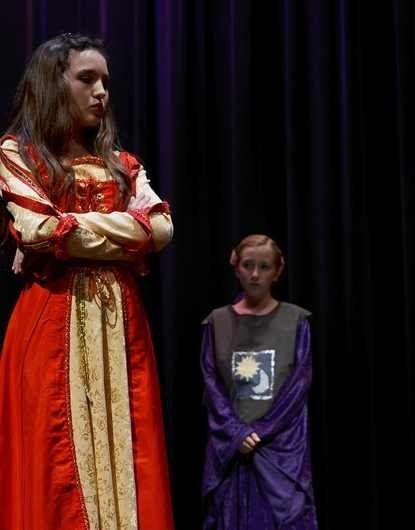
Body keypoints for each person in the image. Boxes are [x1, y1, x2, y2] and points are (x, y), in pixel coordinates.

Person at [0, 33, 174, 529]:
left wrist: (72, 227)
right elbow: (37, 229)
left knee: (129, 443)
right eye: (86, 79)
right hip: (51, 321)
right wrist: (127, 229)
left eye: (105, 82)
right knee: (56, 456)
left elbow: (161, 227)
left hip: (121, 321)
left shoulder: (121, 163)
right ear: (53, 85)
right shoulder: (19, 153)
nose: (102, 92)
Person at [201, 234, 317, 529]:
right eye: (248, 265)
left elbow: (298, 385)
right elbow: (212, 384)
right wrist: (236, 431)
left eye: (264, 267)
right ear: (235, 266)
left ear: (278, 271)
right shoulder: (217, 323)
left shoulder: (296, 321)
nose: (255, 274)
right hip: (232, 449)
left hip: (280, 449)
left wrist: (261, 431)